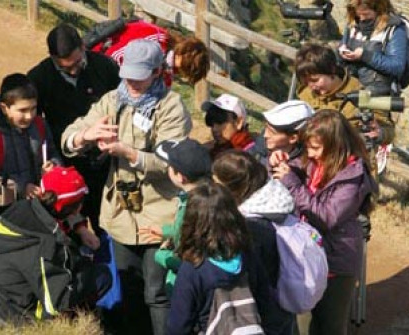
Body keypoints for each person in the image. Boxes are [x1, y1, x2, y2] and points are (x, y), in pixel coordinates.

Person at [61, 39, 192, 335]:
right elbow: (68, 137)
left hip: (160, 215)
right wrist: (84, 137)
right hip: (121, 214)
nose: (131, 82)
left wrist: (128, 152)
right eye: (128, 74)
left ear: (158, 71)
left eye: (140, 75)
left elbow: (171, 160)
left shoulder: (171, 106)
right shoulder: (112, 100)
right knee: (129, 287)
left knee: (157, 292)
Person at [269, 110, 378, 335]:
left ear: (335, 145)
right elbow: (298, 174)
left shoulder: (354, 177)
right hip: (306, 256)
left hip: (336, 263)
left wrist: (291, 181)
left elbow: (325, 217)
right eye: (308, 146)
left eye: (316, 148)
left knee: (329, 327)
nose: (310, 153)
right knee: (301, 324)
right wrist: (282, 162)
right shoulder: (314, 162)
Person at [0, 166, 107, 328]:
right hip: (18, 315)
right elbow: (58, 302)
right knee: (102, 277)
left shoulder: (17, 211)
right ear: (72, 208)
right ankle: (79, 324)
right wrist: (85, 269)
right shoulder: (45, 243)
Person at [28, 23, 121, 230]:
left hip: (105, 160)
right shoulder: (38, 79)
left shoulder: (105, 67)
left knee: (105, 221)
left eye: (77, 63)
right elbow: (34, 125)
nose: (73, 71)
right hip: (64, 163)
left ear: (83, 46)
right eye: (65, 67)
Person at [166, 182, 274, 335]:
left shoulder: (193, 268)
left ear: (192, 221)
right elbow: (266, 304)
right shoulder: (248, 255)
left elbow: (178, 326)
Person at [211, 151, 297, 335]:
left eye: (216, 184)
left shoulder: (251, 227)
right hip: (282, 305)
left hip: (261, 314)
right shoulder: (276, 203)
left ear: (232, 189)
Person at [0, 74, 70, 200]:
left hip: (40, 204)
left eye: (33, 108)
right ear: (4, 108)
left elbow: (52, 152)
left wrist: (54, 166)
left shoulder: (40, 125)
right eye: (22, 110)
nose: (29, 116)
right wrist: (20, 188)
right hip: (5, 210)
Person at [138, 138, 213, 294]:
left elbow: (188, 263)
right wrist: (168, 231)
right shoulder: (208, 198)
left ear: (181, 177)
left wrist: (162, 255)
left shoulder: (192, 207)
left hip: (185, 287)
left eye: (170, 166)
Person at [296, 43, 395, 146]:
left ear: (331, 70)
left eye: (315, 80)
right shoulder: (305, 94)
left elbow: (389, 130)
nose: (311, 86)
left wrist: (380, 133)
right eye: (306, 82)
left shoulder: (360, 92)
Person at [90, 19, 209, 86]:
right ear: (184, 50)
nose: (182, 71)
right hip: (99, 60)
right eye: (187, 65)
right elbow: (116, 54)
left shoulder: (166, 76)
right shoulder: (156, 39)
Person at [339, 0, 409, 96]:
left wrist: (365, 56)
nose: (362, 19)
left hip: (379, 92)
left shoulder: (394, 29)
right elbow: (341, 51)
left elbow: (397, 66)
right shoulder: (352, 24)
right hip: (350, 84)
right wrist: (341, 52)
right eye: (358, 15)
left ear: (379, 11)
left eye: (366, 14)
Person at [259, 100, 314, 172]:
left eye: (272, 132)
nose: (265, 135)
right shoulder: (260, 146)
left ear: (293, 138)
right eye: (266, 127)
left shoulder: (300, 168)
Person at [201, 93, 258, 159]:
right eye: (211, 123)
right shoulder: (220, 148)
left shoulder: (244, 156)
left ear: (238, 122)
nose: (214, 129)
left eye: (220, 122)